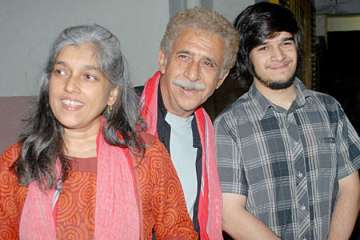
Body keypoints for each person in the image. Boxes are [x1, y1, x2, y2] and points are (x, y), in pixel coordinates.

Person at [0, 24, 197, 239]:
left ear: (112, 94)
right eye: (61, 71)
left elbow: (179, 232)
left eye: (89, 76)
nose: (70, 86)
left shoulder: (146, 157)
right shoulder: (18, 160)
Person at [215, 2, 360, 240]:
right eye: (263, 47)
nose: (279, 56)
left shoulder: (330, 109)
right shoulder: (229, 125)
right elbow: (229, 213)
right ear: (246, 58)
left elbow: (350, 188)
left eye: (286, 42)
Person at [138, 7, 239, 239]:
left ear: (220, 80)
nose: (193, 74)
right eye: (184, 57)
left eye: (208, 64)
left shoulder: (215, 134)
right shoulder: (119, 122)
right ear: (163, 60)